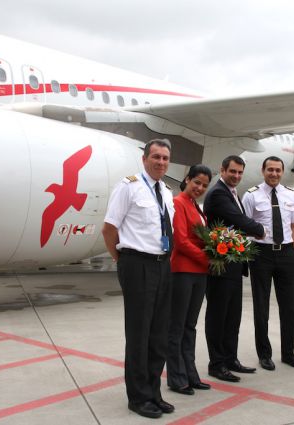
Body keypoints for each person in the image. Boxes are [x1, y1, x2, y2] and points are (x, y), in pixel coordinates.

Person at [102, 139, 175, 419]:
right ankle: (138, 397)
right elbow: (109, 229)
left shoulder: (166, 192)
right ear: (144, 159)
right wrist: (123, 261)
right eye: (155, 157)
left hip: (162, 264)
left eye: (165, 158)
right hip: (137, 264)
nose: (160, 162)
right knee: (139, 335)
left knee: (158, 335)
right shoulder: (128, 186)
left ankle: (154, 392)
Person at [203, 155, 265, 383]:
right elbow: (237, 219)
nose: (237, 176)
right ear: (222, 169)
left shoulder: (231, 192)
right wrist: (258, 228)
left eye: (240, 172)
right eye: (233, 172)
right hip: (220, 266)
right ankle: (216, 364)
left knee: (232, 316)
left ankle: (230, 358)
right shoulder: (218, 193)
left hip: (233, 265)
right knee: (219, 316)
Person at [242, 156, 294, 371]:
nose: (274, 174)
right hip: (262, 254)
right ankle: (264, 354)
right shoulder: (251, 196)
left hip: (287, 252)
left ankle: (288, 353)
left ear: (282, 172)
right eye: (270, 170)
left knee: (289, 306)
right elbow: (245, 226)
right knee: (262, 306)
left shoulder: (291, 195)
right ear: (263, 170)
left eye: (278, 170)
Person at [167, 165, 212, 396]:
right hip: (183, 271)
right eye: (197, 182)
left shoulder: (196, 207)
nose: (200, 188)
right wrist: (209, 258)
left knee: (190, 326)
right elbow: (181, 241)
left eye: (204, 185)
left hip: (199, 273)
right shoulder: (178, 203)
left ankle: (190, 373)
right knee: (177, 326)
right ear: (187, 179)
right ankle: (176, 377)